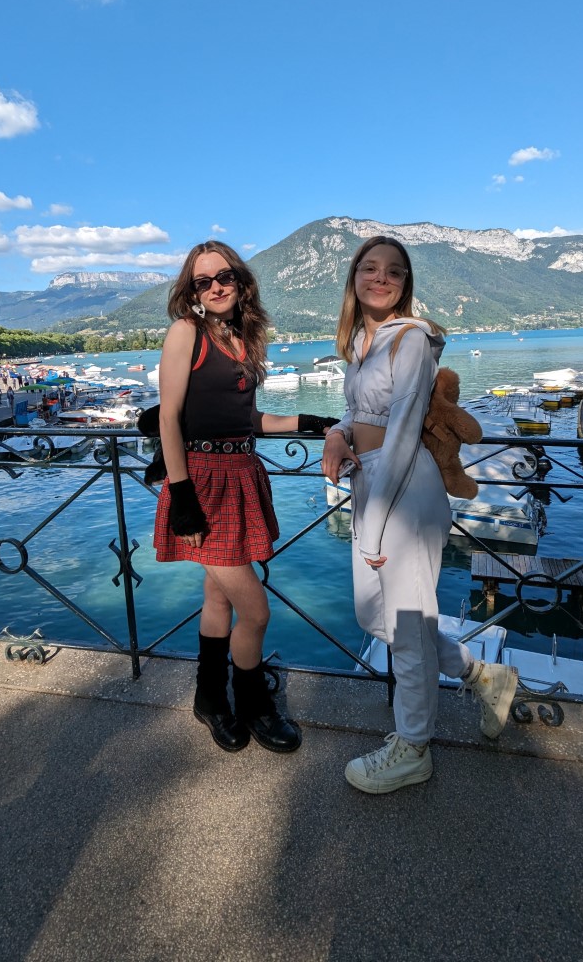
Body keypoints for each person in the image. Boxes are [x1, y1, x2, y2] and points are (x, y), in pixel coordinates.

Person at [321, 236, 519, 794]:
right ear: (354, 277)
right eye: (369, 268)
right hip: (372, 482)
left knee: (406, 628)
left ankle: (413, 749)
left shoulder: (411, 339)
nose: (381, 277)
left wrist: (376, 525)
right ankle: (482, 675)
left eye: (394, 271)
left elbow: (405, 430)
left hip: (404, 489)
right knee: (375, 617)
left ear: (405, 283)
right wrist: (337, 432)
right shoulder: (361, 342)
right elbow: (359, 412)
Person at [152, 240, 338, 756]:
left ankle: (210, 699)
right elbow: (169, 417)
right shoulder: (186, 332)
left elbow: (247, 420)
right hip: (202, 483)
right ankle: (253, 704)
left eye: (224, 277)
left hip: (240, 473)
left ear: (240, 280)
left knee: (218, 597)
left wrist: (312, 422)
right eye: (202, 282)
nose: (215, 287)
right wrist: (182, 496)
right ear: (191, 292)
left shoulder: (241, 338)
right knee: (255, 612)